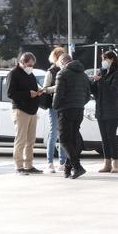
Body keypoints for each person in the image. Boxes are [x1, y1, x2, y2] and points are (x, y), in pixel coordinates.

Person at [52, 50, 90, 179]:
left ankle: (77, 166)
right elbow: (87, 95)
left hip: (65, 110)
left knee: (64, 140)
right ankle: (68, 169)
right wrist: (80, 103)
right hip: (79, 110)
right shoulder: (83, 75)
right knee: (73, 140)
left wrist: (55, 106)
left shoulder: (62, 74)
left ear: (62, 62)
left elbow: (58, 94)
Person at [7, 52, 43, 175]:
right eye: (29, 64)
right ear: (22, 62)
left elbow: (33, 88)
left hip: (32, 110)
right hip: (21, 110)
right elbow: (10, 94)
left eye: (32, 65)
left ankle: (29, 165)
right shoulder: (13, 74)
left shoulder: (30, 74)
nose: (31, 67)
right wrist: (29, 93)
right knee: (20, 139)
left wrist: (38, 91)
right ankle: (19, 166)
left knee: (31, 140)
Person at [89, 50, 118, 173]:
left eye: (106, 59)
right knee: (104, 138)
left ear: (112, 59)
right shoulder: (102, 72)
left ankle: (116, 163)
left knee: (111, 137)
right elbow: (96, 92)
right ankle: (107, 163)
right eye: (103, 59)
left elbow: (113, 91)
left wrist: (101, 81)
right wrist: (92, 83)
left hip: (112, 110)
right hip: (101, 110)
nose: (104, 61)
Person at [42, 46, 69, 174]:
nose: (62, 58)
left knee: (62, 133)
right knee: (53, 132)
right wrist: (57, 87)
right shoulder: (51, 72)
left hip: (65, 105)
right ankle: (50, 162)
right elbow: (45, 89)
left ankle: (62, 162)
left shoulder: (67, 70)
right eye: (61, 56)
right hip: (54, 105)